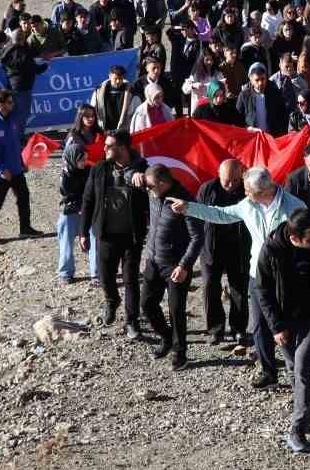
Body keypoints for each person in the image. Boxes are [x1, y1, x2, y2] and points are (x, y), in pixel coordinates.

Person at [169, 167, 305, 388]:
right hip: (257, 275)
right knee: (259, 325)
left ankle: (296, 376)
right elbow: (222, 214)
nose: (245, 193)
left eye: (247, 190)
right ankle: (268, 371)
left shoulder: (295, 206)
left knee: (286, 327)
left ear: (262, 190)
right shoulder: (249, 205)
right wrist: (189, 208)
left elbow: (307, 241)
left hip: (287, 277)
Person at [257, 209, 310, 452]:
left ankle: (297, 429)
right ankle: (308, 411)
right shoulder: (271, 251)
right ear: (294, 238)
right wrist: (276, 327)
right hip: (285, 321)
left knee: (301, 367)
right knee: (293, 370)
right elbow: (263, 290)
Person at [79, 131, 149, 335]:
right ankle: (112, 300)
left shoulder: (143, 168)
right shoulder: (100, 169)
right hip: (106, 234)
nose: (104, 149)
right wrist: (83, 232)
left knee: (131, 280)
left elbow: (156, 197)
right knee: (106, 276)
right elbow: (88, 199)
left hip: (131, 236)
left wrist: (144, 181)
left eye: (109, 146)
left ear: (123, 148)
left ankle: (131, 320)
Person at [139, 164, 203, 368]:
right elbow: (128, 174)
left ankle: (180, 352)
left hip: (176, 266)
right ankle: (166, 337)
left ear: (163, 183)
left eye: (150, 186)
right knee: (147, 305)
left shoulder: (183, 200)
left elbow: (197, 237)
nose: (147, 189)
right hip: (153, 261)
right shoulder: (154, 194)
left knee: (176, 310)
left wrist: (185, 265)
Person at [196, 160, 249, 346]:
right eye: (227, 181)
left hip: (239, 245)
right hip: (212, 246)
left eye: (235, 180)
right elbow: (197, 216)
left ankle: (239, 328)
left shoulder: (247, 189)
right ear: (218, 174)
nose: (231, 185)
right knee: (211, 286)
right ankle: (215, 329)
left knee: (239, 288)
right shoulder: (207, 189)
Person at [0, 90, 43, 246]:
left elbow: (16, 143)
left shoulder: (12, 119)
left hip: (15, 168)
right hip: (0, 172)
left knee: (23, 196)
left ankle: (25, 228)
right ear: (0, 104)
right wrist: (1, 169)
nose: (12, 105)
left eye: (12, 102)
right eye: (9, 102)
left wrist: (22, 163)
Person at [57, 105, 103, 284]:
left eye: (93, 116)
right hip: (72, 207)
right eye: (87, 116)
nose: (90, 119)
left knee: (95, 236)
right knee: (66, 236)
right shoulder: (66, 174)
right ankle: (65, 273)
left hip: (89, 206)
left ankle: (96, 273)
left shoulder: (98, 135)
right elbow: (66, 192)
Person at [90, 65, 140, 133]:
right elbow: (93, 109)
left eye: (120, 79)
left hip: (124, 131)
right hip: (104, 130)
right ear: (110, 76)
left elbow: (137, 113)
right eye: (115, 78)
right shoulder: (98, 91)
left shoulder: (132, 92)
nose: (118, 81)